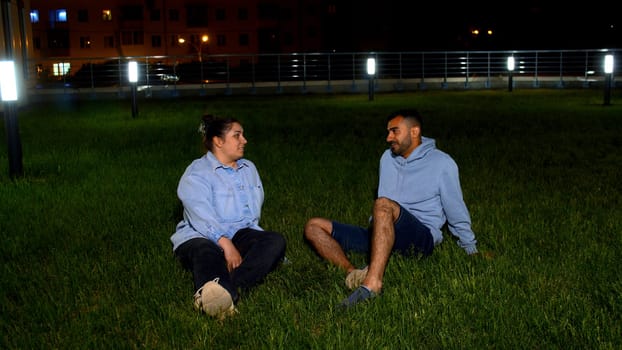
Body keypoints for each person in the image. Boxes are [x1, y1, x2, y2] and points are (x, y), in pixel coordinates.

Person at [304, 109, 478, 308]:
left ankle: (372, 285)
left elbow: (455, 209)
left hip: (419, 237)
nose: (388, 138)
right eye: (388, 132)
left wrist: (470, 247)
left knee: (383, 205)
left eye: (394, 131)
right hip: (382, 230)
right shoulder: (387, 159)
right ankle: (353, 273)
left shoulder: (443, 163)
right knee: (314, 226)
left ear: (414, 131)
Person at [171, 114, 286, 319]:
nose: (244, 140)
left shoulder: (248, 168)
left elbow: (251, 218)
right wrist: (225, 244)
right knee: (206, 251)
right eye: (237, 135)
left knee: (275, 241)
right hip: (201, 234)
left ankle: (225, 289)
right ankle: (222, 293)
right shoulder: (196, 173)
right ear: (218, 141)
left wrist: (243, 243)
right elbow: (200, 216)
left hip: (239, 233)